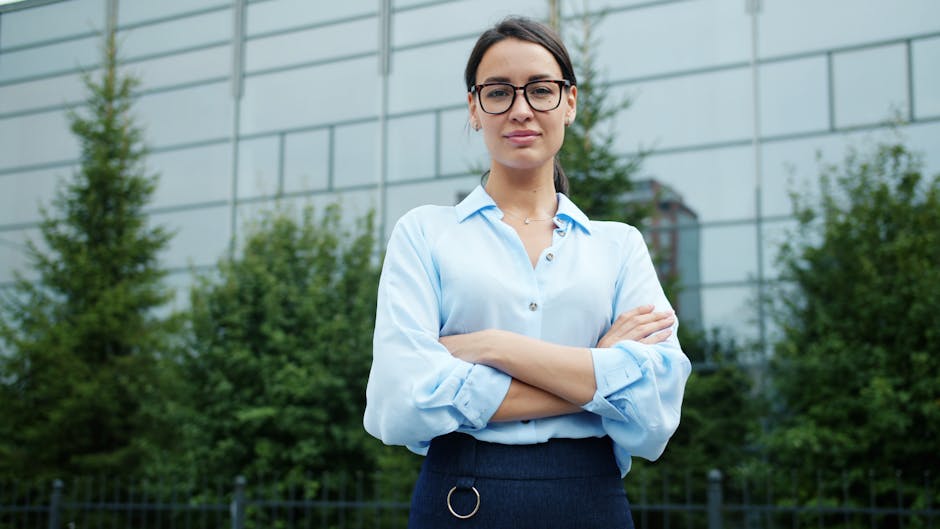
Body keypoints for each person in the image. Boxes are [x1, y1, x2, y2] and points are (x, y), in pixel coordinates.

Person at [364, 16, 691, 529]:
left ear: (570, 102)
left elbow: (654, 409)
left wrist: (494, 346)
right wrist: (596, 371)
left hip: (593, 502)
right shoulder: (424, 234)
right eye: (498, 92)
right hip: (461, 499)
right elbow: (399, 402)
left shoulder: (619, 245)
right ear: (474, 108)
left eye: (541, 90)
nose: (520, 110)